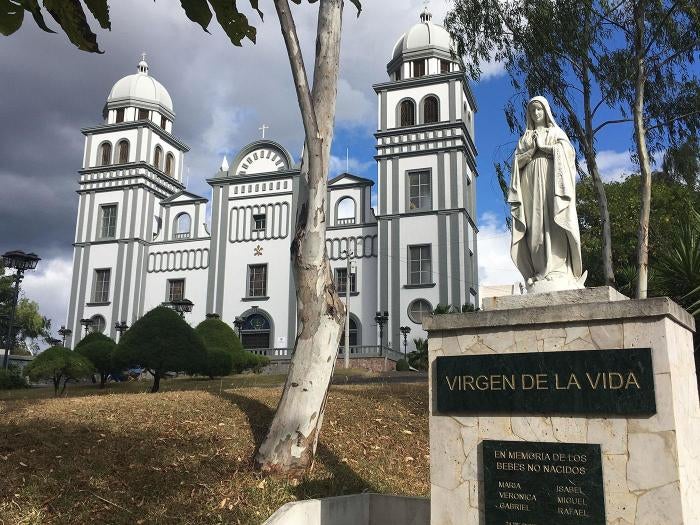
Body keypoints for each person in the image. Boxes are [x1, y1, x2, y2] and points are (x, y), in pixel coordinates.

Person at [508, 96, 585, 291]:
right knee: (535, 226)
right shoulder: (525, 138)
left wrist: (546, 149)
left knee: (554, 220)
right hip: (530, 182)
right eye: (532, 111)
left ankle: (558, 270)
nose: (536, 114)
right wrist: (530, 153)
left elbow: (568, 153)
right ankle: (539, 271)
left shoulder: (556, 131)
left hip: (552, 180)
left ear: (546, 111)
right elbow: (515, 164)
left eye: (539, 110)